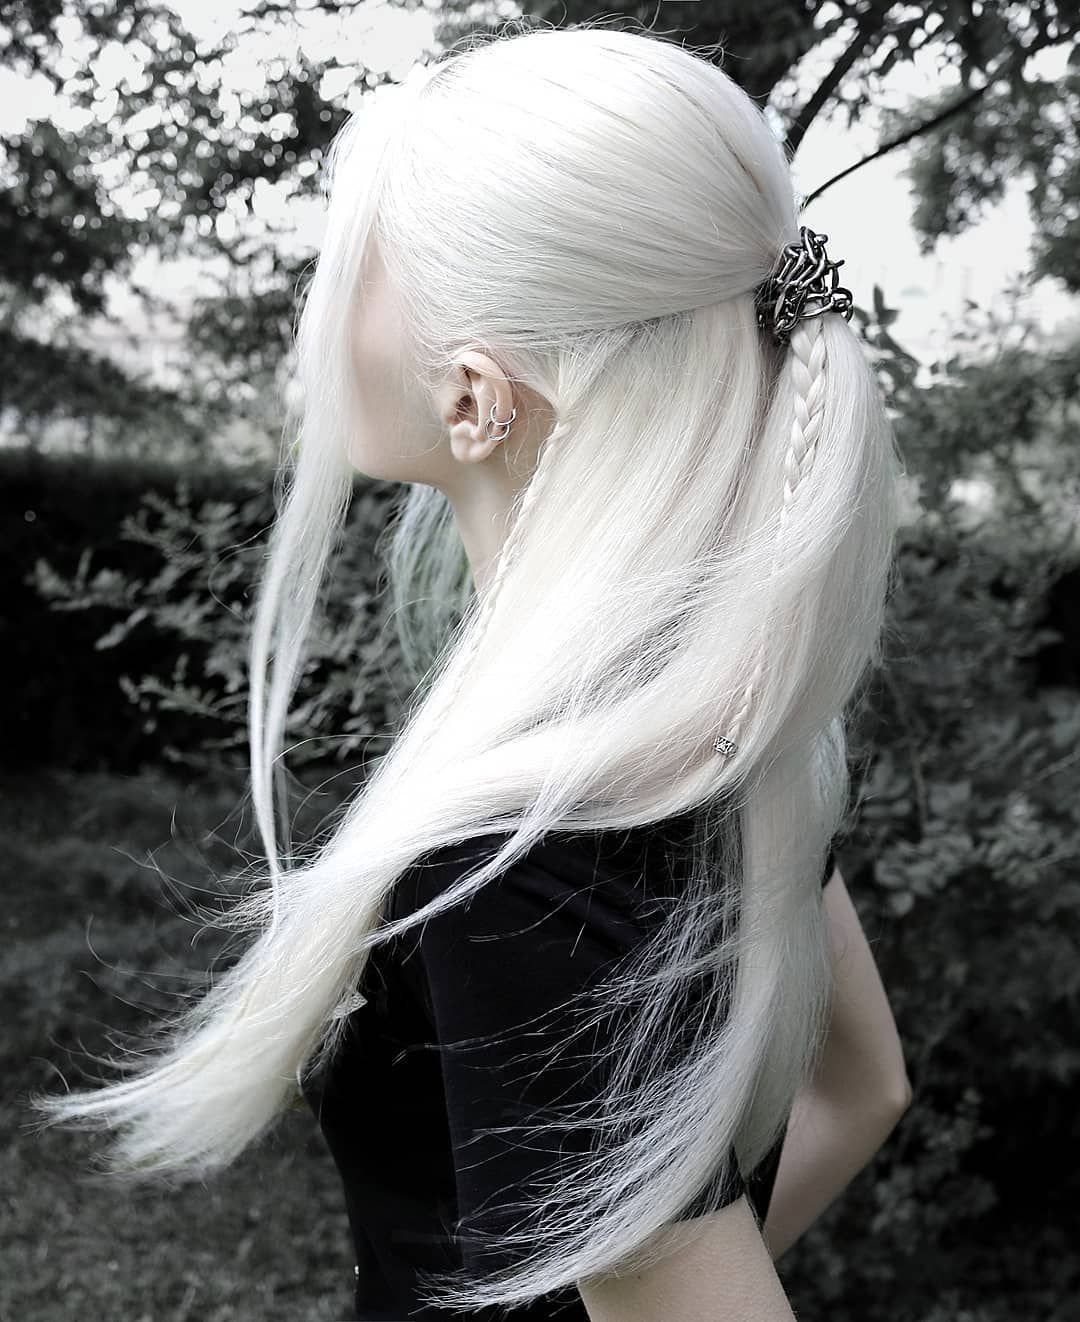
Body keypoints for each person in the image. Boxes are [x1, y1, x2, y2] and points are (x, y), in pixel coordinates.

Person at [29, 21, 909, 1321]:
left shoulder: (531, 848)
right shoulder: (716, 729)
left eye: (356, 264)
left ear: (474, 396)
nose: (322, 306)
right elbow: (865, 1087)